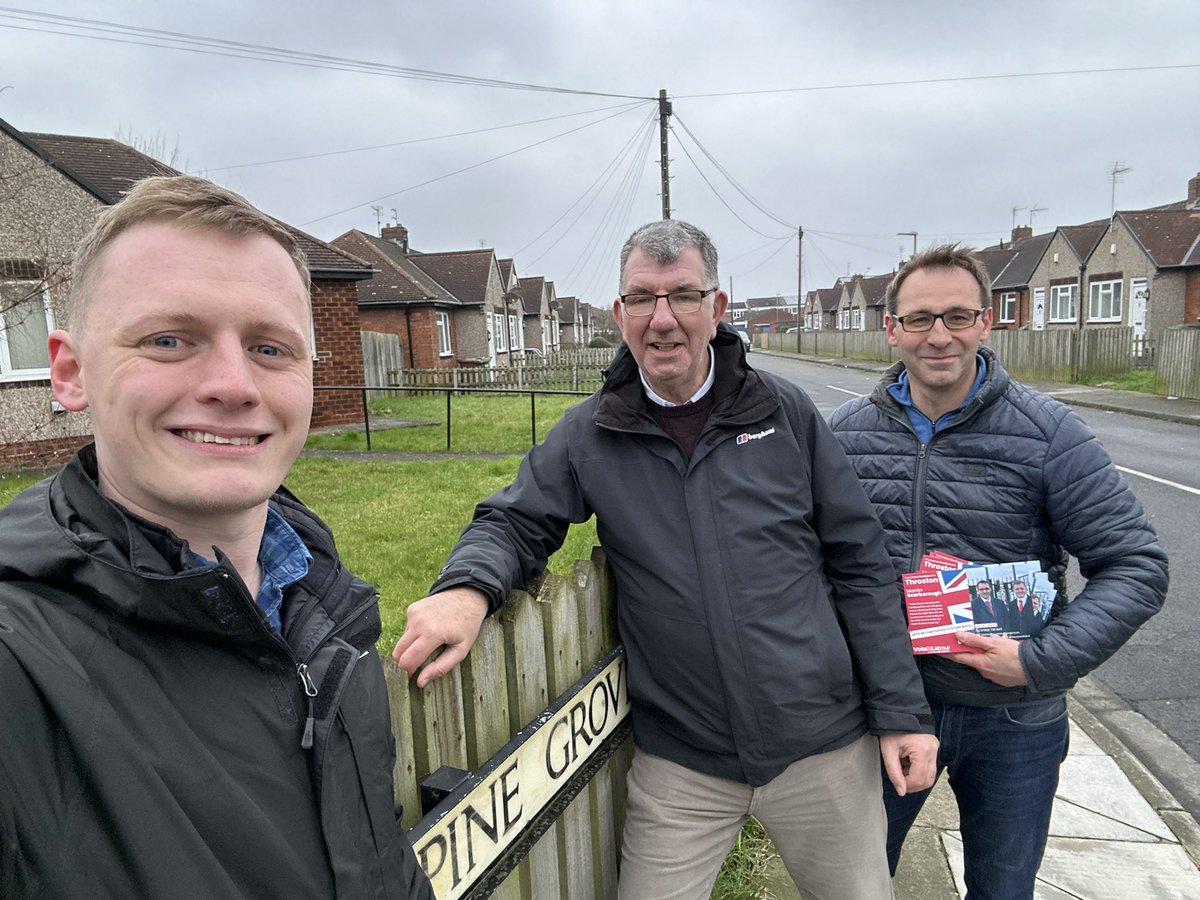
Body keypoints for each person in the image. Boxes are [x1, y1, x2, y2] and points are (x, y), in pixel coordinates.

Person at [393, 219, 938, 899]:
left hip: (822, 747)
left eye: (682, 295)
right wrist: (466, 590)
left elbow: (861, 564)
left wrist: (902, 712)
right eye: (642, 298)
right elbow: (513, 519)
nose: (662, 319)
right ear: (619, 314)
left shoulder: (785, 414)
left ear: (716, 308)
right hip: (684, 765)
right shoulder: (591, 433)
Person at [0, 175, 433, 899]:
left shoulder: (324, 604)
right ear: (70, 373)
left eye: (270, 348)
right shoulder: (19, 661)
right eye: (170, 340)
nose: (234, 384)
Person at [829, 244, 1168, 899]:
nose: (939, 335)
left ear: (987, 323)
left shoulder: (1049, 434)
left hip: (1014, 719)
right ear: (892, 328)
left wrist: (1041, 660)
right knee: (855, 883)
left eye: (958, 316)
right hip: (888, 712)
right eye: (920, 318)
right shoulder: (843, 436)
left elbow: (1135, 566)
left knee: (1002, 889)